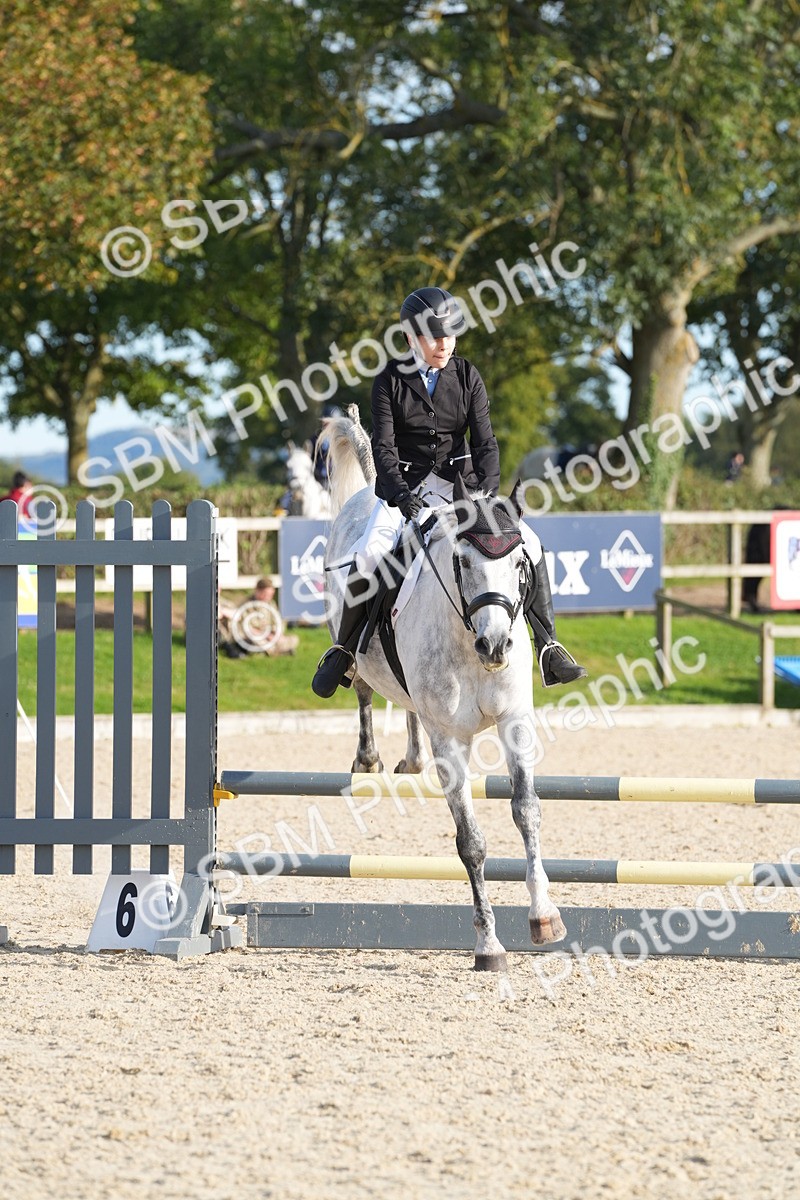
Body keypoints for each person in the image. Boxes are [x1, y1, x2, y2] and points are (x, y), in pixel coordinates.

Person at [312, 286, 588, 698]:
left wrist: (489, 496)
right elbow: (384, 448)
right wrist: (402, 496)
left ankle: (548, 645)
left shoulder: (466, 375)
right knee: (371, 552)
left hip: (462, 488)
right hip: (403, 489)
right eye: (434, 336)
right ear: (411, 337)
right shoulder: (389, 380)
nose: (445, 344)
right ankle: (345, 651)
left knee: (529, 541)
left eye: (450, 335)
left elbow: (485, 443)